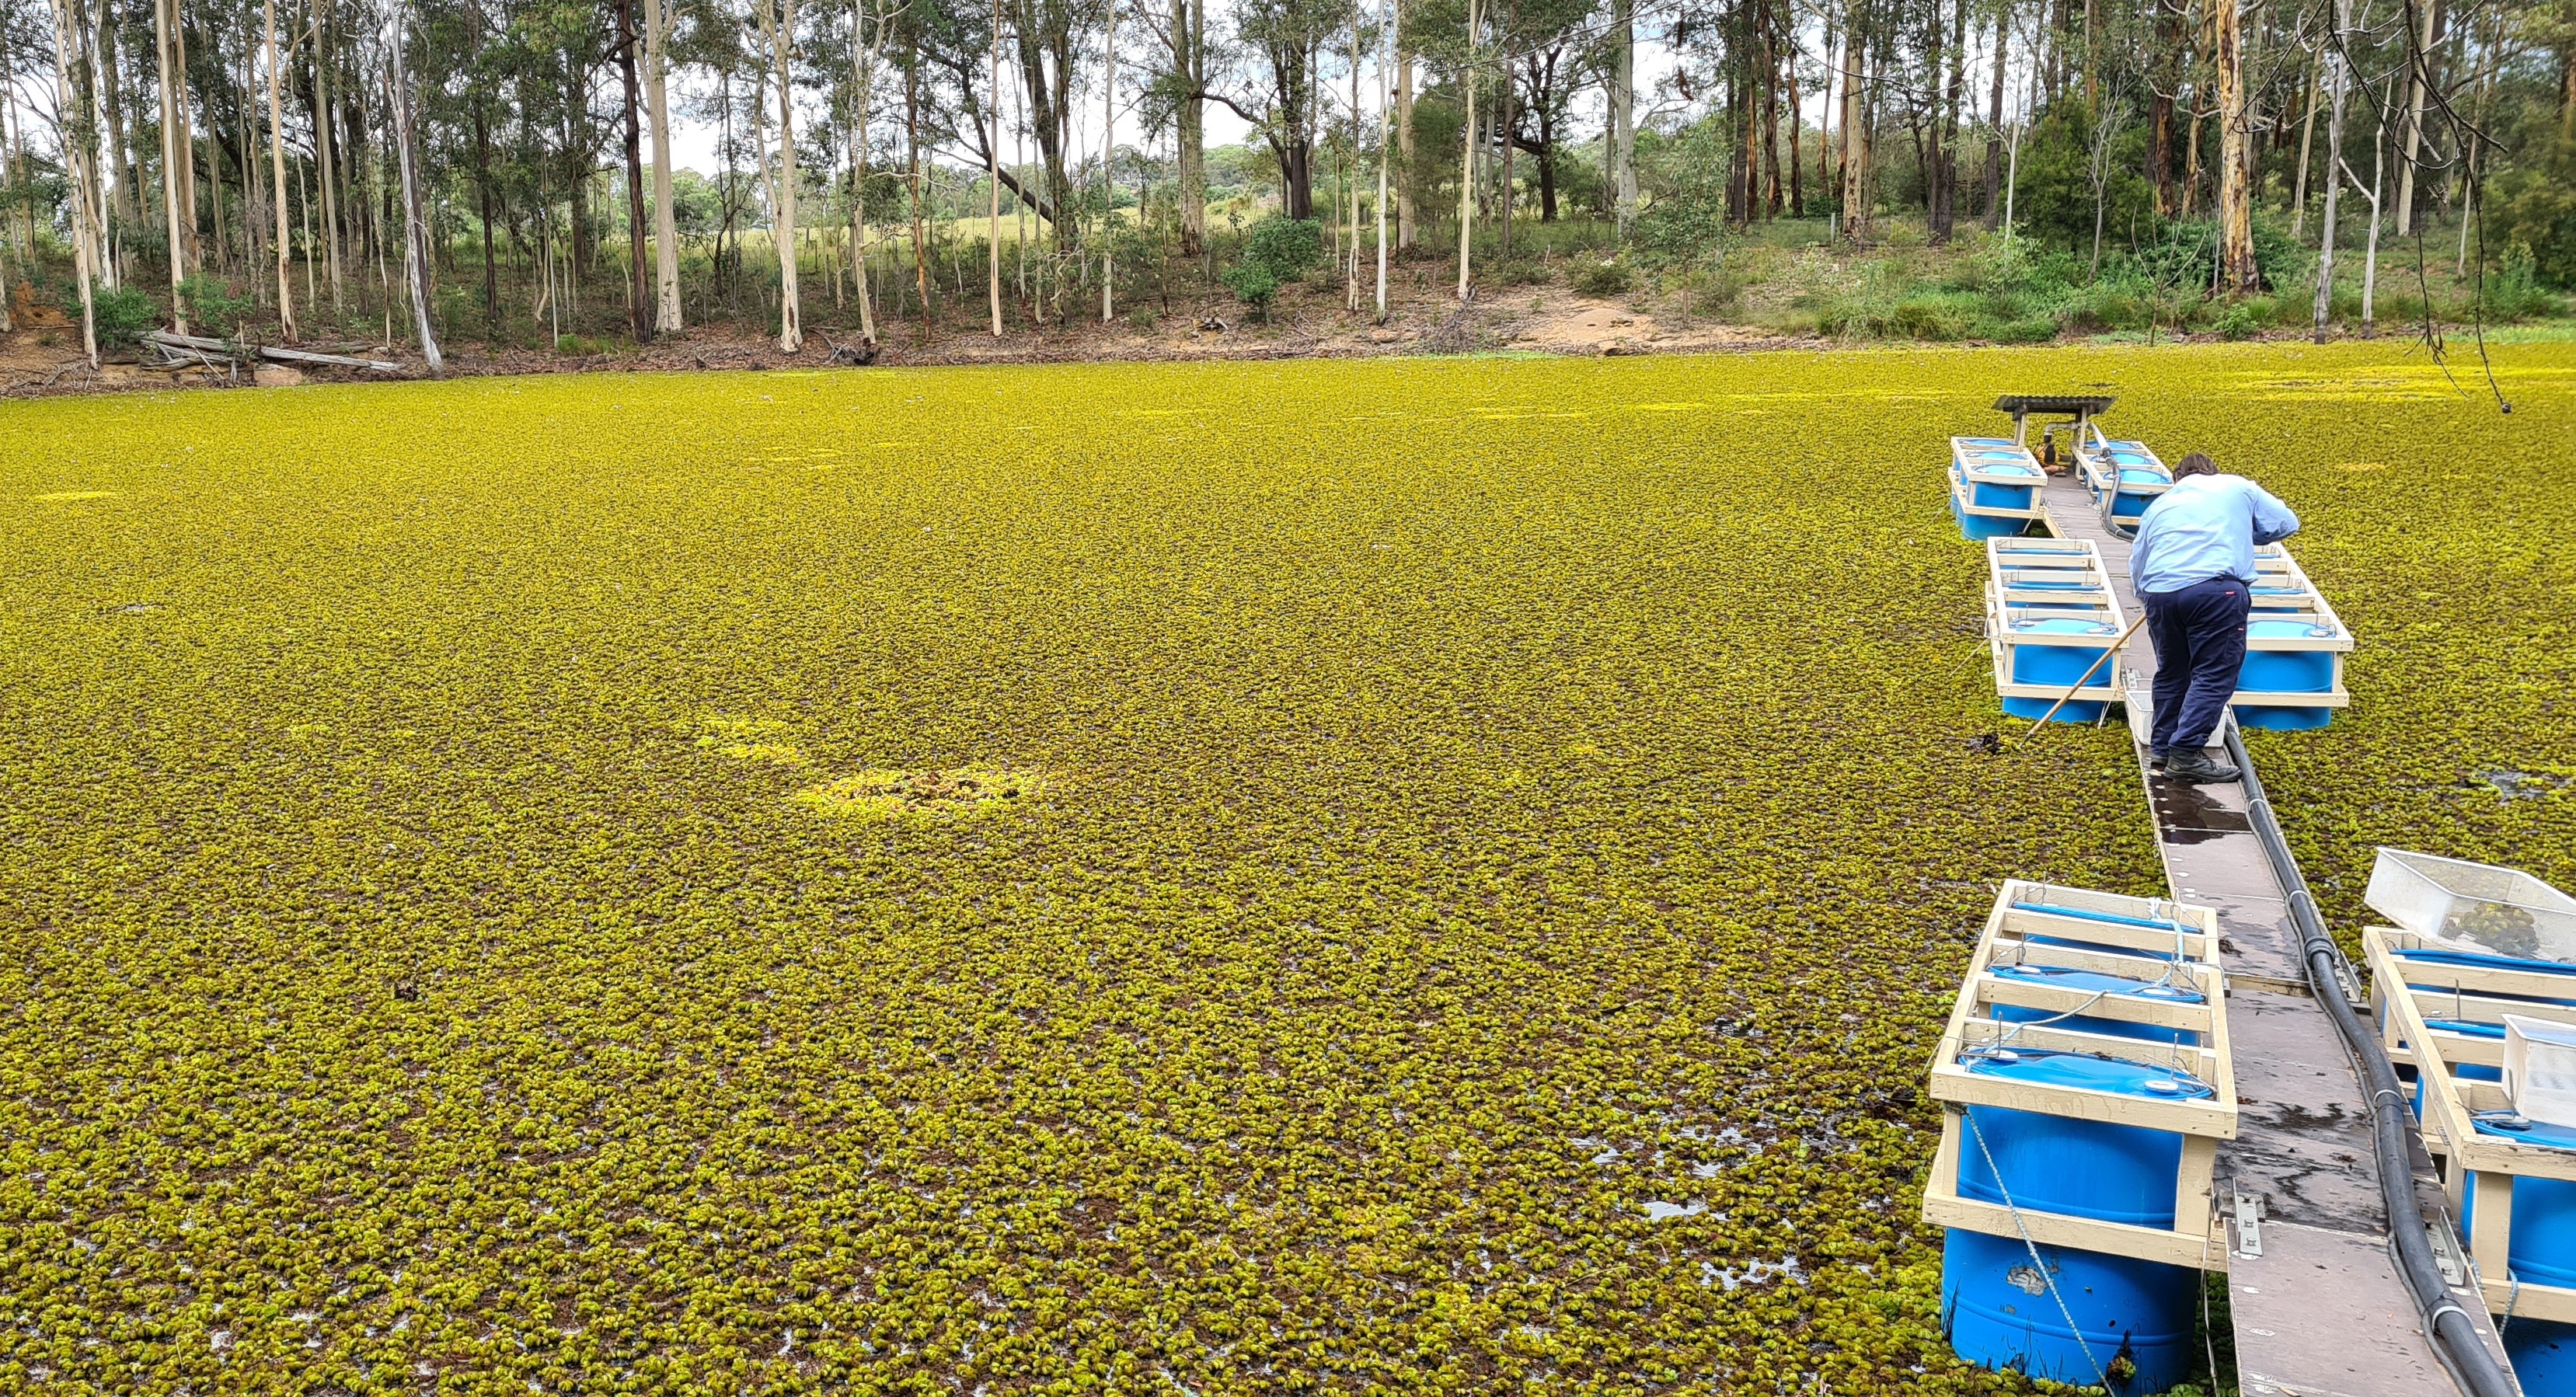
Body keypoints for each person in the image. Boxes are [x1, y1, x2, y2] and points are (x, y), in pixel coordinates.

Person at [2128, 452, 2301, 784]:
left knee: (2172, 672)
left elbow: (2138, 560)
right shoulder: (2237, 486)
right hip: (2215, 592)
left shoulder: (2160, 504)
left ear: (2176, 479)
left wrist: (2148, 599)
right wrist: (2245, 533)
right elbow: (2286, 523)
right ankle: (2187, 754)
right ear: (2213, 474)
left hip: (2160, 594)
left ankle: (2163, 747)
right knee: (2213, 672)